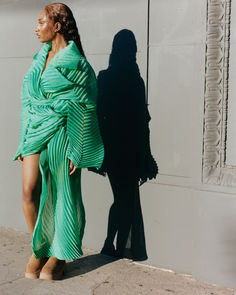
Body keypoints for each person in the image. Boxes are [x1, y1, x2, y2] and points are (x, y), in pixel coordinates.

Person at [12, 3, 104, 280]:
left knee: (64, 194)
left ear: (58, 25)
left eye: (41, 22)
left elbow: (86, 106)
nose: (36, 28)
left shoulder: (77, 63)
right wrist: (22, 139)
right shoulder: (38, 59)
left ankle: (60, 255)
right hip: (36, 130)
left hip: (65, 131)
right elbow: (27, 101)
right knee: (29, 191)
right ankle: (40, 247)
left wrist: (79, 148)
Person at [92, 30, 158, 261]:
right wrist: (147, 155)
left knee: (121, 198)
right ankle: (112, 244)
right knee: (126, 199)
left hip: (112, 148)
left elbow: (99, 115)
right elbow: (143, 121)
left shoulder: (104, 77)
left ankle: (112, 244)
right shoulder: (136, 79)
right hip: (131, 149)